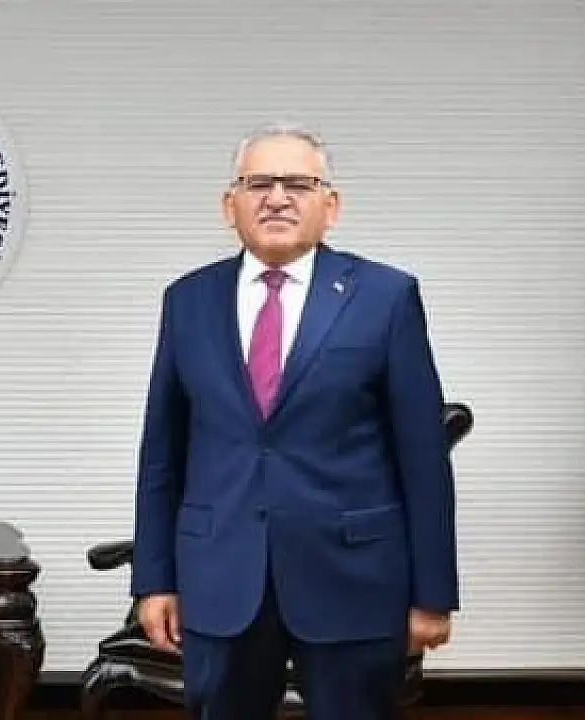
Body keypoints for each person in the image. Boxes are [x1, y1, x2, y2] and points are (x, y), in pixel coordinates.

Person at [130, 124, 459, 720]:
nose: (277, 198)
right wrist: (154, 581)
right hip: (221, 578)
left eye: (298, 184)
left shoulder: (384, 297)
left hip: (352, 579)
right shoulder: (188, 301)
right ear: (229, 204)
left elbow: (422, 457)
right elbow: (162, 454)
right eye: (259, 183)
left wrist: (432, 595)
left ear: (330, 206)